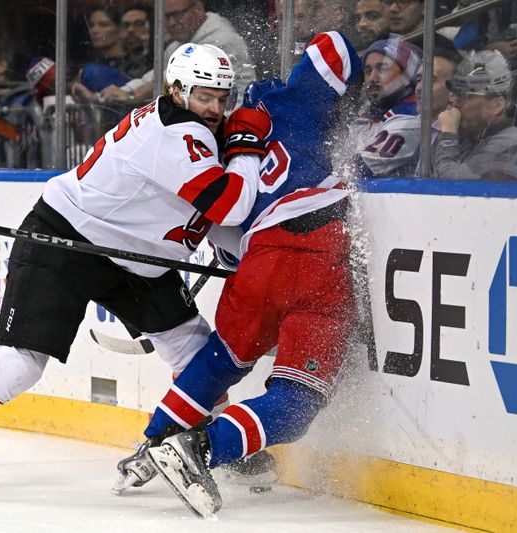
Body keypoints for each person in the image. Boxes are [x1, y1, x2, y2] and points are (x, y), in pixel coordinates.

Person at [0, 42, 273, 499]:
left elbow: (211, 216)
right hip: (68, 236)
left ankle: (211, 444)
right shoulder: (175, 134)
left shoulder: (192, 128)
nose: (216, 108)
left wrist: (236, 249)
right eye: (205, 96)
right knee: (19, 362)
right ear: (177, 90)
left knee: (192, 346)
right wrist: (246, 146)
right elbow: (233, 205)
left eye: (224, 97)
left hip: (135, 257)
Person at [113, 31, 363, 518]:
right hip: (317, 249)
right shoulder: (293, 100)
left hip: (257, 260)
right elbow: (334, 47)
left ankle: (153, 442)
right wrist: (360, 87)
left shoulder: (213, 144)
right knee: (296, 402)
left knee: (222, 358)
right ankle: (200, 450)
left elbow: (226, 240)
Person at [432, 50, 517, 182]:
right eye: (454, 94)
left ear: (497, 105)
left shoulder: (510, 142)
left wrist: (448, 135)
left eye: (464, 96)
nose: (454, 102)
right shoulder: (474, 136)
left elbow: (449, 187)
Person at [339, 37, 422, 177]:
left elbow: (355, 170)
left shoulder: (412, 118)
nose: (372, 78)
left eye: (382, 68)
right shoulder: (366, 117)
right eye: (368, 71)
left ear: (407, 77)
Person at [412, 35, 461, 175]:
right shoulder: (412, 127)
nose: (419, 87)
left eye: (430, 80)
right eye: (419, 79)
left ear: (453, 92)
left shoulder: (462, 132)